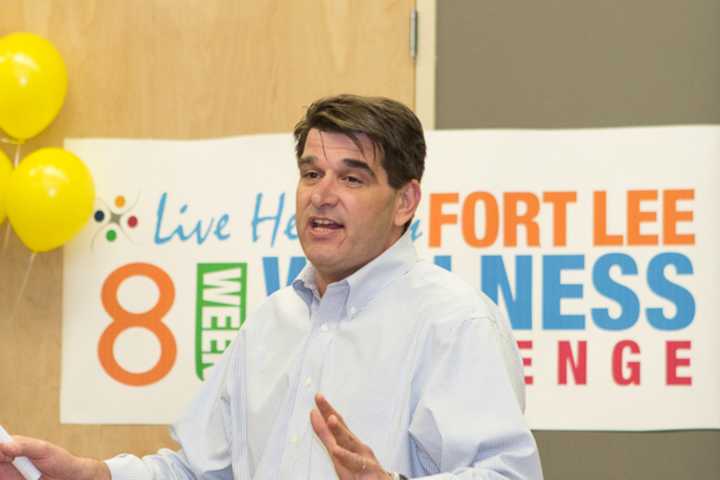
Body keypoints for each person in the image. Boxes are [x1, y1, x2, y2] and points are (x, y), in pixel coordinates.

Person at [0, 95, 543, 479]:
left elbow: (507, 475)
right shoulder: (271, 321)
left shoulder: (454, 321)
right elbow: (196, 472)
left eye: (351, 178)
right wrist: (89, 475)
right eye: (311, 174)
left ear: (405, 202)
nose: (322, 195)